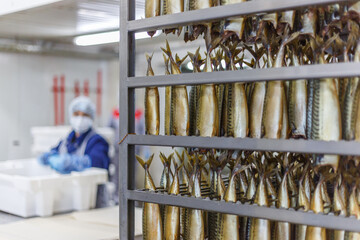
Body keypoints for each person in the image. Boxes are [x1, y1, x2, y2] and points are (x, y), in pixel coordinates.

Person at [38, 96, 110, 174]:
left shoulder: (97, 141)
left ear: (91, 118)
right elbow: (54, 152)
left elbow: (98, 163)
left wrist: (69, 163)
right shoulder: (67, 140)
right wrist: (48, 157)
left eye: (85, 115)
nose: (80, 118)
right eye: (76, 114)